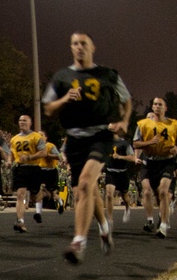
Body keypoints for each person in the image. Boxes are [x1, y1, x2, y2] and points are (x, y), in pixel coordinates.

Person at [42, 32, 131, 263]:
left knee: (84, 184)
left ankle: (79, 242)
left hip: (101, 135)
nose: (79, 47)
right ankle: (104, 227)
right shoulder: (62, 76)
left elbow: (126, 99)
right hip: (74, 139)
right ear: (71, 48)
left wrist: (124, 121)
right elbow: (48, 109)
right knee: (88, 190)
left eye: (83, 43)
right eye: (74, 43)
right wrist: (64, 100)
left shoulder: (108, 74)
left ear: (93, 47)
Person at [132, 97, 177, 238]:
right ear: (152, 107)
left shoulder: (174, 124)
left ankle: (162, 225)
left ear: (165, 108)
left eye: (160, 104)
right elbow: (136, 144)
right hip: (149, 163)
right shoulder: (143, 124)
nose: (157, 106)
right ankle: (150, 220)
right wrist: (150, 142)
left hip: (166, 162)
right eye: (155, 104)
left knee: (163, 192)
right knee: (146, 192)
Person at [9, 114, 43, 232]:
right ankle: (20, 221)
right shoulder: (14, 139)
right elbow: (11, 153)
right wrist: (9, 162)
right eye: (20, 120)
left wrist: (29, 157)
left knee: (35, 196)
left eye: (24, 120)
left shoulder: (36, 137)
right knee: (20, 194)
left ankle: (44, 194)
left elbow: (43, 153)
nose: (22, 122)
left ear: (30, 123)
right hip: (20, 169)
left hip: (34, 168)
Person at [103, 132, 136, 224]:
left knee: (125, 196)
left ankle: (127, 208)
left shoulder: (124, 144)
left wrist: (120, 157)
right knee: (109, 194)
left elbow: (132, 158)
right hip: (110, 172)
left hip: (122, 173)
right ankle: (109, 219)